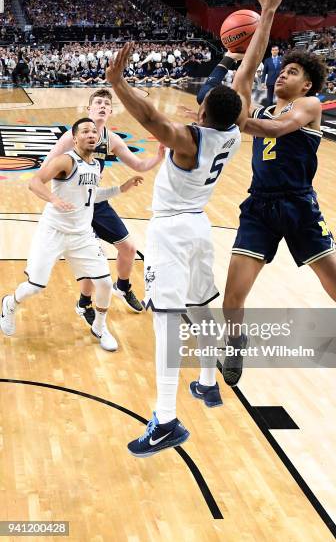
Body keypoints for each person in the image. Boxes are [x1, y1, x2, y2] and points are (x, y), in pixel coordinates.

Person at [197, 0, 336, 387]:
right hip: (259, 205)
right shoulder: (262, 106)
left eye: (292, 72)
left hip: (298, 205)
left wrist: (237, 121)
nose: (283, 75)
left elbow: (275, 129)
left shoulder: (309, 108)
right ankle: (234, 345)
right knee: (234, 294)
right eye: (283, 70)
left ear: (308, 83)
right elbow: (245, 72)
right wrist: (268, 14)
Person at [105, 42, 243, 457]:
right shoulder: (234, 133)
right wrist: (259, 26)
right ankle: (207, 381)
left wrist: (117, 81)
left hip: (171, 231)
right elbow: (242, 81)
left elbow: (148, 117)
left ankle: (165, 420)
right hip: (201, 226)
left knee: (166, 322)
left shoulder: (187, 141)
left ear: (201, 113)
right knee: (200, 308)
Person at [0, 118, 143, 351]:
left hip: (82, 235)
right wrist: (54, 198)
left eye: (94, 132)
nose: (91, 135)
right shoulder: (65, 161)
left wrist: (121, 188)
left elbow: (92, 196)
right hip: (53, 232)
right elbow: (35, 182)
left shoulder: (96, 165)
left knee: (105, 283)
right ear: (74, 138)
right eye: (85, 131)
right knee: (36, 286)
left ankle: (99, 326)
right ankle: (10, 303)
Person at [40, 88, 164, 325]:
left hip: (97, 201)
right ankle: (84, 302)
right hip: (76, 207)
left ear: (110, 111)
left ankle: (123, 287)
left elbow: (138, 164)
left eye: (107, 103)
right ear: (89, 109)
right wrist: (58, 195)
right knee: (92, 256)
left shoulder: (112, 139)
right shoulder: (70, 137)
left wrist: (158, 156)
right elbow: (47, 166)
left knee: (128, 248)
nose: (103, 106)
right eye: (98, 102)